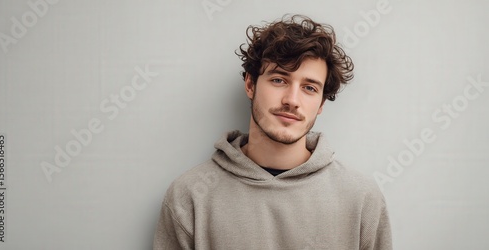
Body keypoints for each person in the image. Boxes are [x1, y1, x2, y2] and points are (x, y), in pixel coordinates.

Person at [154, 14, 393, 250]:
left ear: (321, 104)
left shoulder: (361, 199)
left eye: (309, 88)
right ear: (250, 84)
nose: (292, 100)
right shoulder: (190, 196)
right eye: (279, 80)